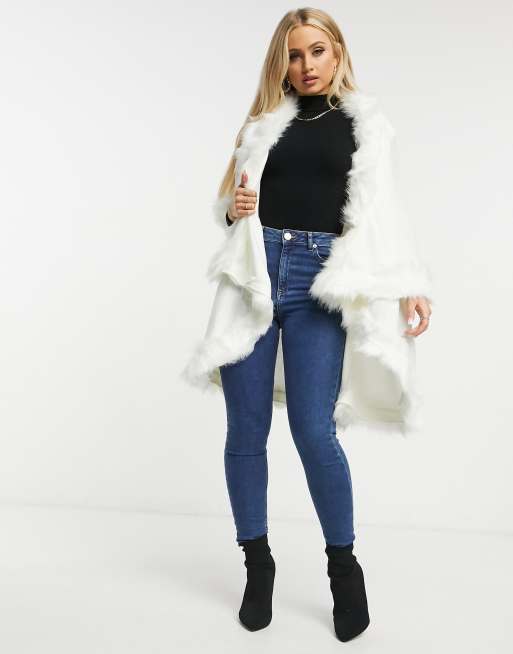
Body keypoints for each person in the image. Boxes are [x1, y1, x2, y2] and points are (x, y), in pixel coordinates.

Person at [181, 7, 433, 643]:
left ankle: (344, 570)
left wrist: (410, 284)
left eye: (317, 51)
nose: (306, 65)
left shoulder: (365, 124)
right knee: (245, 430)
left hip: (321, 280)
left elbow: (384, 213)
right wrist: (235, 207)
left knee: (313, 430)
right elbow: (232, 203)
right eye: (295, 55)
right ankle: (257, 566)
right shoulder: (265, 122)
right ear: (283, 62)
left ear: (337, 52)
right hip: (257, 273)